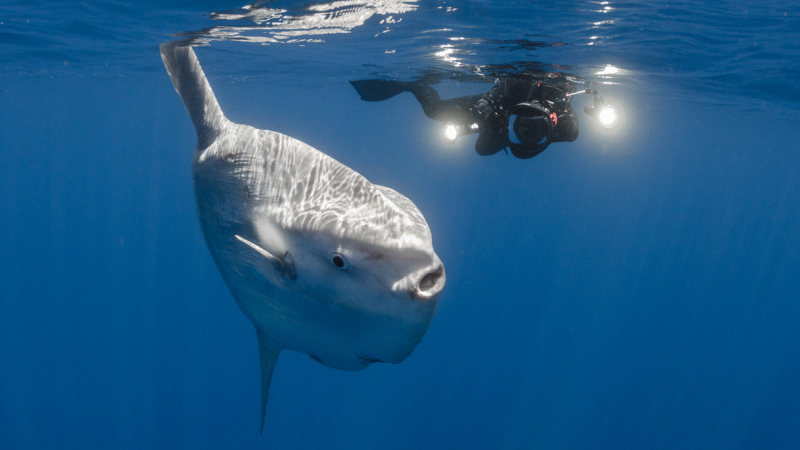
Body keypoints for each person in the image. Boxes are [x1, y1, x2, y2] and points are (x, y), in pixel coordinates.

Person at [350, 74, 580, 159]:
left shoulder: (503, 129)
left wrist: (492, 122)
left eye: (524, 132)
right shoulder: (550, 97)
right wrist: (489, 112)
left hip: (498, 116)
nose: (529, 129)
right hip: (498, 105)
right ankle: (415, 84)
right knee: (434, 110)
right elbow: (486, 100)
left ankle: (412, 84)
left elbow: (483, 149)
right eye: (532, 129)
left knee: (436, 113)